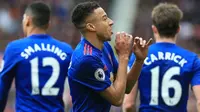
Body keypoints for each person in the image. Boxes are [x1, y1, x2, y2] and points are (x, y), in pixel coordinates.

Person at [68, 1, 152, 112]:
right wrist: (123, 56)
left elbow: (125, 87)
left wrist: (139, 60)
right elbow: (117, 100)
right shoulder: (87, 59)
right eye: (104, 19)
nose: (111, 22)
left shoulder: (104, 46)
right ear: (91, 26)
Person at [123, 3, 200, 112]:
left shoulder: (139, 57)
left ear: (154, 29)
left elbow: (128, 104)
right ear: (178, 29)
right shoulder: (192, 59)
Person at [0, 1, 73, 112]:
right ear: (48, 24)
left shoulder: (15, 49)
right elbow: (79, 89)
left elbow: (2, 87)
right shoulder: (66, 50)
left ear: (27, 20)